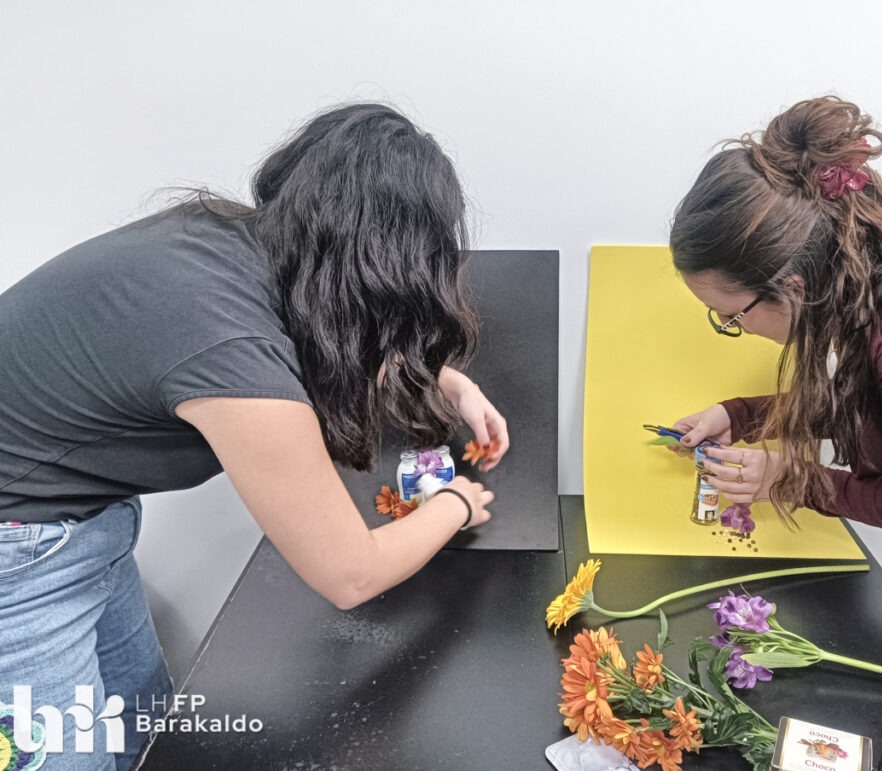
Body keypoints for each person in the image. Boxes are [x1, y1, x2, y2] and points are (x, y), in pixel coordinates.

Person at [0, 102, 509, 770]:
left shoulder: (221, 241)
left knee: (144, 738)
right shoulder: (228, 342)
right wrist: (457, 504)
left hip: (76, 521)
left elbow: (321, 324)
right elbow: (349, 573)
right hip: (18, 552)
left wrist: (448, 382)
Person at [668, 96, 882, 750]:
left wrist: (795, 479)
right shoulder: (866, 246)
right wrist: (747, 416)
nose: (731, 329)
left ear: (793, 287)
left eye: (731, 316)